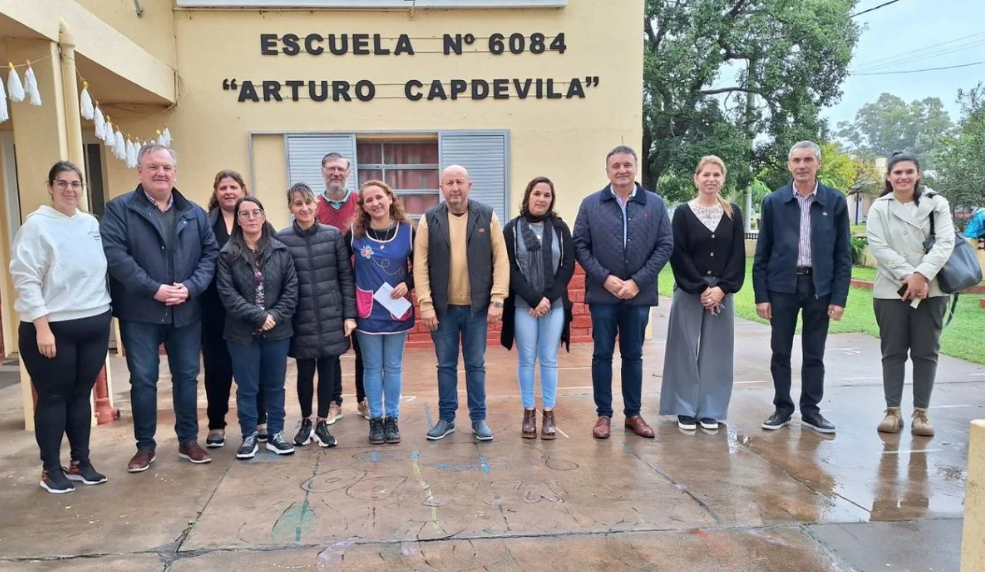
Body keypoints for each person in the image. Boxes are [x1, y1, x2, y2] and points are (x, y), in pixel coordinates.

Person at [101, 144, 219, 472]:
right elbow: (116, 256)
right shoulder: (119, 209)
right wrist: (153, 289)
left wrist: (191, 288)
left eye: (166, 167)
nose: (160, 173)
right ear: (140, 172)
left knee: (187, 377)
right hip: (141, 313)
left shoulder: (194, 213)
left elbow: (210, 256)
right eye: (152, 167)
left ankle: (188, 441)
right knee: (143, 380)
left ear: (175, 173)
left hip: (186, 311)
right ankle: (145, 446)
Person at [9, 162, 113, 493]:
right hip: (53, 328)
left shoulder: (89, 223)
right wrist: (41, 326)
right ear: (50, 187)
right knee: (54, 397)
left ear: (83, 188)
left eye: (76, 183)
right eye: (62, 183)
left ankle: (80, 461)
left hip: (94, 323)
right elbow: (25, 279)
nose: (70, 189)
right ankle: (50, 469)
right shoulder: (36, 226)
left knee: (80, 395)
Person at [572, 146, 674, 440]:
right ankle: (603, 414)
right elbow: (580, 245)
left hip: (638, 296)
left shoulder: (654, 204)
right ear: (607, 171)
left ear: (635, 168)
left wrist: (638, 282)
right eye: (615, 165)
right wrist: (605, 279)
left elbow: (665, 245)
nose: (621, 170)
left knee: (633, 355)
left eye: (627, 165)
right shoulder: (591, 204)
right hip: (604, 295)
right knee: (602, 354)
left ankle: (633, 414)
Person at [753, 141, 852, 434]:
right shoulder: (774, 202)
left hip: (819, 286)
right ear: (789, 164)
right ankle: (782, 408)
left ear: (818, 164)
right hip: (782, 286)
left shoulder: (834, 202)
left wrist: (839, 297)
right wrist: (762, 296)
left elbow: (843, 254)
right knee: (780, 351)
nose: (802, 166)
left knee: (814, 353)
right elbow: (762, 253)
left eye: (808, 159)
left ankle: (811, 410)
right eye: (796, 160)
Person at [414, 165, 510, 441]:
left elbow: (500, 259)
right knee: (445, 365)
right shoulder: (429, 219)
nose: (455, 187)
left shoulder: (488, 216)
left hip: (477, 309)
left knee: (475, 365)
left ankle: (479, 419)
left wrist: (497, 299)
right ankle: (447, 419)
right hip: (442, 310)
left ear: (470, 185)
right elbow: (419, 265)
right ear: (441, 188)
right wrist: (426, 304)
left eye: (459, 182)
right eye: (449, 183)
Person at [866, 152, 955, 437]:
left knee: (926, 352)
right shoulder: (880, 207)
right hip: (891, 289)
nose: (903, 177)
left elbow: (945, 242)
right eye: (897, 173)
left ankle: (921, 413)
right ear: (888, 177)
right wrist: (909, 276)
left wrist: (922, 275)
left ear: (918, 174)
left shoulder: (936, 203)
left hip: (932, 288)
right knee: (892, 352)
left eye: (908, 172)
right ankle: (892, 410)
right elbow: (879, 247)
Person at [659, 156, 746, 431]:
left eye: (716, 174)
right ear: (696, 178)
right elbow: (679, 254)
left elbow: (737, 256)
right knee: (683, 348)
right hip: (689, 288)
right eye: (705, 174)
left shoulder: (733, 212)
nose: (711, 179)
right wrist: (699, 288)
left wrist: (722, 288)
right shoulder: (683, 213)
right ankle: (684, 407)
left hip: (722, 290)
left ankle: (710, 408)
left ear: (723, 178)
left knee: (717, 350)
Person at [217, 197, 299, 458]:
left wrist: (273, 316)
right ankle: (249, 435)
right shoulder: (226, 254)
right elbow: (227, 295)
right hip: (241, 334)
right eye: (245, 213)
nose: (251, 217)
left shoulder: (281, 251)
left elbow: (291, 291)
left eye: (256, 212)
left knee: (275, 385)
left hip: (277, 331)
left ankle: (275, 434)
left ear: (263, 217)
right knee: (248, 387)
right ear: (238, 220)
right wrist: (258, 317)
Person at [276, 183, 356, 448]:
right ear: (291, 208)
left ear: (316, 205)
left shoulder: (333, 235)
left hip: (331, 316)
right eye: (298, 203)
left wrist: (348, 314)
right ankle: (306, 421)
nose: (304, 208)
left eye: (308, 202)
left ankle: (323, 422)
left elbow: (346, 277)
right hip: (301, 318)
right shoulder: (283, 238)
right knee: (304, 371)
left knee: (328, 371)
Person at [501, 176, 575, 439]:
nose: (542, 199)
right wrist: (534, 299)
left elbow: (567, 266)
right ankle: (529, 411)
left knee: (549, 360)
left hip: (554, 306)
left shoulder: (560, 228)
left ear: (551, 199)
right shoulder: (512, 228)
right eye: (537, 194)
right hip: (524, 305)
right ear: (528, 196)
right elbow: (508, 267)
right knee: (526, 360)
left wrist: (547, 298)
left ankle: (549, 411)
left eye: (547, 195)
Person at [346, 181, 415, 444]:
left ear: (390, 198)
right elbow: (342, 271)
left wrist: (407, 284)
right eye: (368, 200)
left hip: (396, 310)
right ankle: (375, 420)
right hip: (367, 311)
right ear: (362, 206)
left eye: (379, 197)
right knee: (372, 367)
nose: (375, 203)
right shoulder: (354, 233)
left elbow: (422, 266)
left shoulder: (408, 231)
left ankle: (392, 419)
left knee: (394, 366)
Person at [202, 170, 266, 448]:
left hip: (252, 308)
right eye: (223, 187)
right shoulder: (203, 224)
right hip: (214, 308)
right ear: (216, 193)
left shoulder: (254, 219)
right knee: (217, 368)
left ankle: (259, 420)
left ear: (243, 190)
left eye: (234, 187)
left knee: (254, 366)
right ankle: (216, 423)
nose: (228, 192)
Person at [315, 152, 368, 422]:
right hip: (327, 285)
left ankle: (364, 398)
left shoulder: (362, 202)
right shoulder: (313, 206)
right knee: (333, 347)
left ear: (349, 172)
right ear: (323, 171)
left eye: (341, 169)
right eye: (331, 169)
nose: (336, 173)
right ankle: (334, 401)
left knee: (363, 345)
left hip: (361, 284)